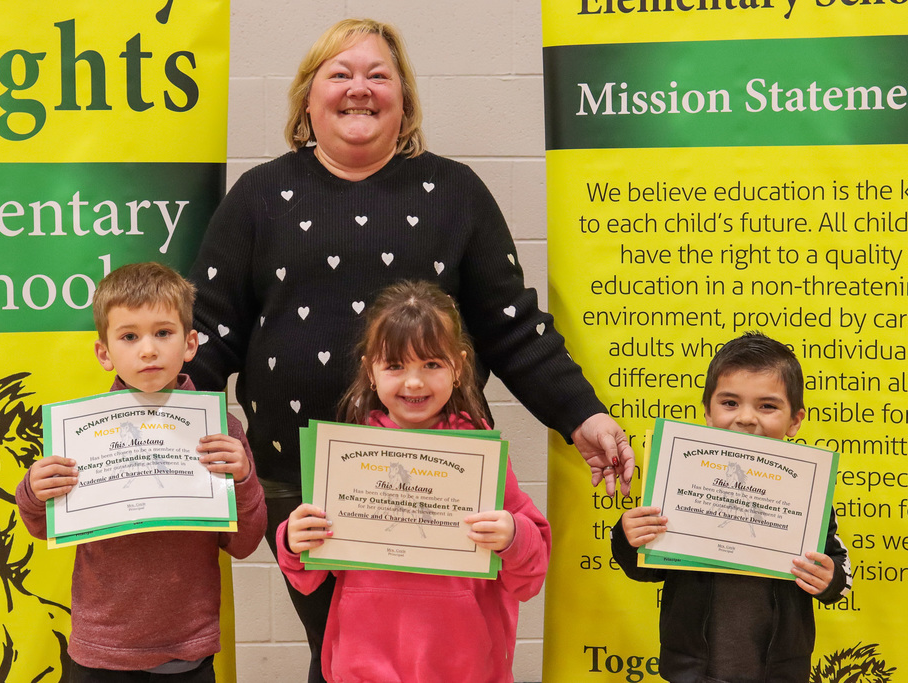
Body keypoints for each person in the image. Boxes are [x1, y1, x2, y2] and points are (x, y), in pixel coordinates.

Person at [185, 17, 632, 681]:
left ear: (406, 100)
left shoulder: (455, 193)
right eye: (340, 74)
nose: (359, 89)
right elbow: (208, 330)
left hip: (433, 485)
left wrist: (582, 415)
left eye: (377, 75)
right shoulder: (258, 196)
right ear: (308, 98)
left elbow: (513, 325)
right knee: (339, 655)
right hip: (297, 482)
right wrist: (146, 424)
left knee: (427, 656)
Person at [277, 280, 550, 683]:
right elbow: (309, 574)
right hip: (363, 664)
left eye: (431, 364)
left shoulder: (481, 457)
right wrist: (293, 538)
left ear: (458, 367)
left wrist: (513, 535)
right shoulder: (347, 454)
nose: (414, 383)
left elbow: (531, 574)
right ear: (371, 369)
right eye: (395, 365)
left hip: (464, 666)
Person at [15, 262, 267, 681]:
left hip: (188, 652)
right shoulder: (79, 433)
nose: (147, 350)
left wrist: (241, 481)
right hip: (100, 651)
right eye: (129, 336)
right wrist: (33, 491)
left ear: (190, 343)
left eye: (163, 333)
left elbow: (243, 544)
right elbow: (43, 528)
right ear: (104, 352)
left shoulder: (222, 432)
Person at [611, 332, 852, 683]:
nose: (746, 418)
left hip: (779, 674)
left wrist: (830, 579)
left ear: (795, 420)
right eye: (730, 403)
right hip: (691, 672)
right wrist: (628, 537)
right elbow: (646, 569)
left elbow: (840, 572)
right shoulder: (681, 481)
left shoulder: (807, 494)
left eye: (767, 406)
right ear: (708, 411)